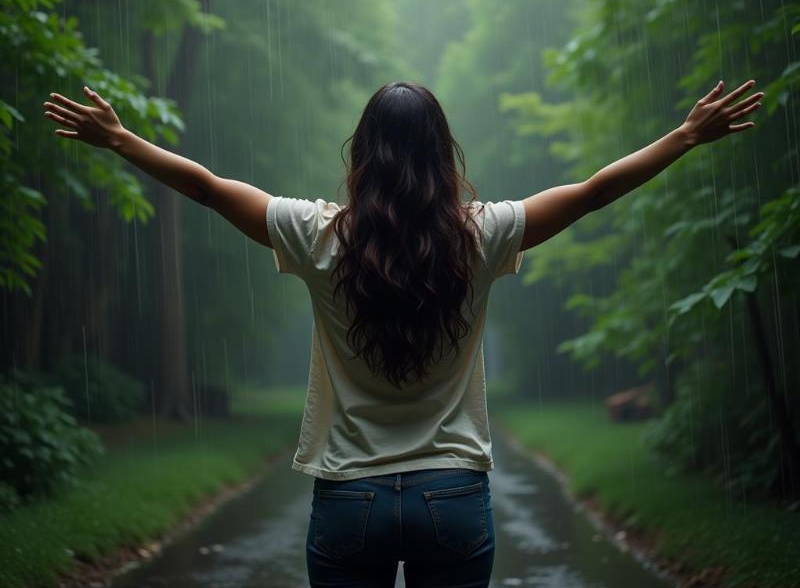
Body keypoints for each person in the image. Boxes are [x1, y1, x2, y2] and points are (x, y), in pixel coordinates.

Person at [43, 77, 762, 587]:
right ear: (442, 152)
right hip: (451, 494)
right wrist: (686, 136)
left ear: (364, 153)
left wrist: (120, 140)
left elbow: (205, 186)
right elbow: (594, 191)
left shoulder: (316, 233)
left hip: (347, 496)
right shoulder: (483, 236)